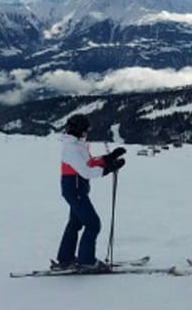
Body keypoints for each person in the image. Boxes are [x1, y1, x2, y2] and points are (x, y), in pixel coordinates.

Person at [55, 114, 126, 270]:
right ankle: (86, 261)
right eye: (85, 130)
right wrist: (109, 169)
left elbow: (89, 161)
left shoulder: (77, 144)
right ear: (79, 130)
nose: (88, 132)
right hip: (75, 191)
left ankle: (65, 258)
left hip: (77, 189)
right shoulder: (71, 149)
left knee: (75, 223)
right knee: (93, 224)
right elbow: (86, 171)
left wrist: (109, 158)